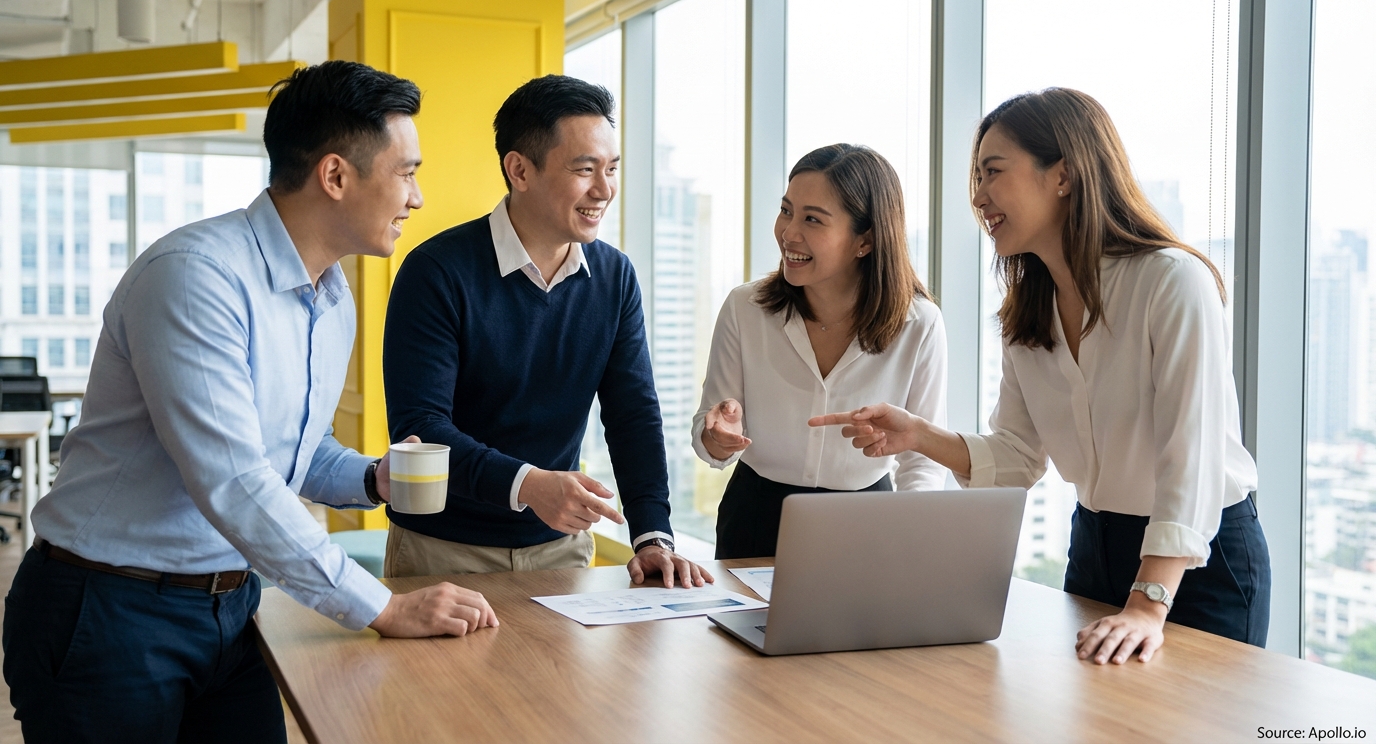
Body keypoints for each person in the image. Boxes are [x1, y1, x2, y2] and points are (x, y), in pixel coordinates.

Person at [3, 61, 498, 744]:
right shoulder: (194, 277)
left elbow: (292, 445)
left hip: (233, 605)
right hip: (108, 609)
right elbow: (234, 478)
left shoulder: (332, 299)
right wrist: (381, 607)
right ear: (335, 175)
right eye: (407, 171)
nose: (416, 196)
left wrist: (369, 478)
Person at [811, 88, 1270, 665]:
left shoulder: (1172, 281)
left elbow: (1192, 457)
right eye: (976, 177)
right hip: (1096, 546)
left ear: (1064, 175)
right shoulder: (1026, 312)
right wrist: (917, 436)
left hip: (1197, 561)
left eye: (993, 172)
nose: (978, 196)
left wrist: (1149, 605)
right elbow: (1019, 458)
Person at [381, 75, 712, 589]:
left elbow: (633, 416)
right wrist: (527, 484)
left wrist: (652, 535)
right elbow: (420, 428)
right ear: (520, 170)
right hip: (443, 553)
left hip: (561, 551)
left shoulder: (615, 276)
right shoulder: (436, 272)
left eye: (611, 168)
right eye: (584, 169)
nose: (603, 190)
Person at [694, 144, 948, 559]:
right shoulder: (746, 307)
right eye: (786, 210)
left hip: (869, 524)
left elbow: (924, 457)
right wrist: (717, 438)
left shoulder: (918, 324)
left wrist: (912, 526)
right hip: (755, 516)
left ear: (864, 240)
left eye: (812, 219)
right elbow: (709, 433)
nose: (789, 232)